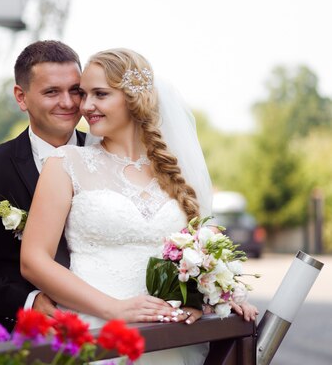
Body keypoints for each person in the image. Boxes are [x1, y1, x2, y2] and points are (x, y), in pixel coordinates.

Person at [20, 48, 258, 364]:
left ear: (134, 98)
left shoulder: (176, 171)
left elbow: (201, 253)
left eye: (100, 94)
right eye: (84, 94)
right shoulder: (65, 163)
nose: (85, 106)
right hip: (94, 331)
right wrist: (112, 308)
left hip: (168, 338)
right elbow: (34, 260)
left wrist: (223, 297)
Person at [0, 40, 87, 333]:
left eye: (75, 90)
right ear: (21, 97)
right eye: (52, 92)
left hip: (104, 324)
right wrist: (27, 302)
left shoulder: (111, 157)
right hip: (23, 336)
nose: (68, 102)